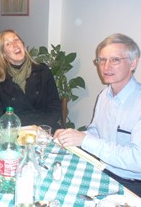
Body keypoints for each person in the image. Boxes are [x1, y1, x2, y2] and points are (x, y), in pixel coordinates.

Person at [54, 33, 141, 197]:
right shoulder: (104, 95)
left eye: (115, 60)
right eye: (102, 60)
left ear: (133, 63)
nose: (106, 67)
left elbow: (137, 160)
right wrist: (73, 135)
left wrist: (85, 140)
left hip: (131, 184)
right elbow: (96, 132)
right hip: (102, 170)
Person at [0, 29, 62, 132]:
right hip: (14, 134)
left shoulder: (43, 72)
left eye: (16, 39)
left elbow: (55, 109)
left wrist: (38, 129)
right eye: (8, 43)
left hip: (45, 131)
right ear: (3, 54)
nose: (15, 44)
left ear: (22, 44)